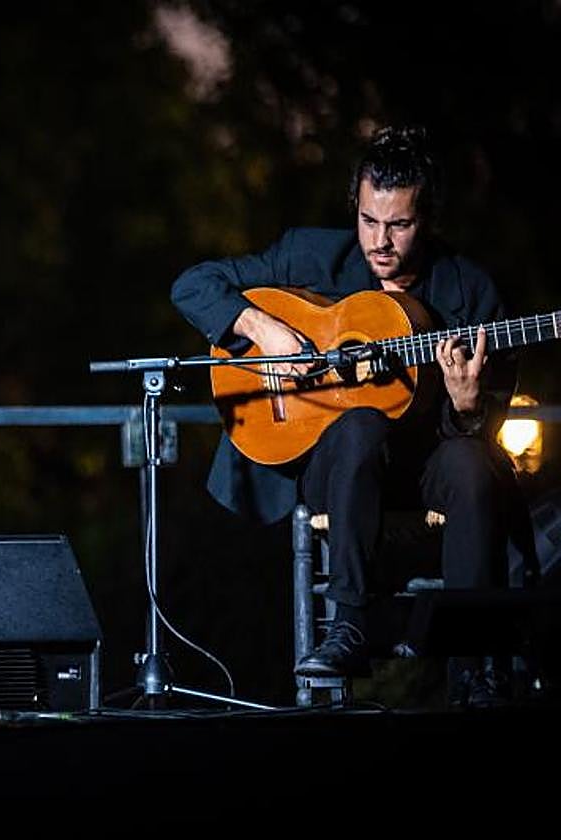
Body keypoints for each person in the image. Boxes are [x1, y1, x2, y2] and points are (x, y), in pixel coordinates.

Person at [170, 126, 530, 706]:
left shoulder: (470, 294)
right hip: (336, 461)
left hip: (425, 462)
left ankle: (474, 662)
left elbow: (483, 427)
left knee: (470, 464)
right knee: (361, 423)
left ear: (428, 220)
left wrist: (466, 408)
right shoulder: (312, 255)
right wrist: (264, 328)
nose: (380, 241)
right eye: (368, 220)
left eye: (399, 225)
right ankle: (350, 626)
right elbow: (193, 286)